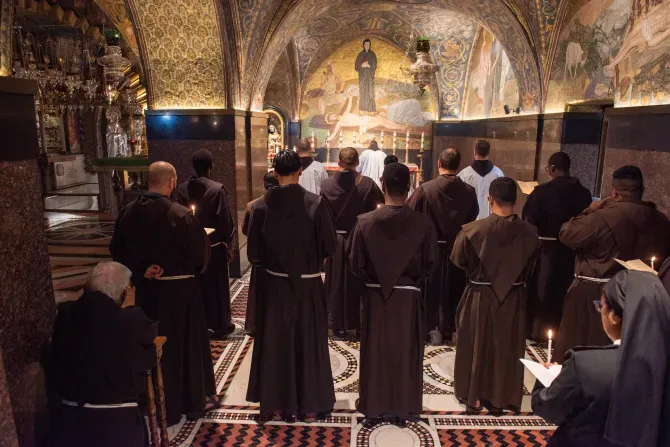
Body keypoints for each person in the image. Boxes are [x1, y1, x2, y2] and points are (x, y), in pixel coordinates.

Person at [110, 161, 215, 426]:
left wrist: (140, 270)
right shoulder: (181, 215)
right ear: (171, 183)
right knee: (183, 346)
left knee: (151, 342)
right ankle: (188, 402)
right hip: (180, 293)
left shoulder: (127, 213)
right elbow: (199, 257)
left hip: (147, 293)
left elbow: (116, 251)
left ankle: (153, 399)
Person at [245, 150, 336, 422]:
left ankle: (275, 403)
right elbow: (330, 246)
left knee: (276, 345)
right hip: (308, 289)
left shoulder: (259, 207)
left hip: (274, 288)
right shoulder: (316, 204)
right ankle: (309, 405)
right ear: (300, 171)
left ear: (274, 173)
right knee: (308, 344)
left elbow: (254, 255)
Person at [532, 270, 670, 447]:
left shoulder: (584, 365)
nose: (600, 310)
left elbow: (548, 407)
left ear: (614, 317)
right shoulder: (663, 364)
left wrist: (542, 381)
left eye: (601, 305)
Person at [347, 162, 437, 419]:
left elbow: (355, 263)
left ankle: (374, 404)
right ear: (409, 188)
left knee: (375, 350)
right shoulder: (423, 223)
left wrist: (376, 280)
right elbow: (431, 264)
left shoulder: (365, 223)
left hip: (376, 297)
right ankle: (405, 405)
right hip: (409, 298)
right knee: (406, 350)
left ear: (382, 186)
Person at [554, 165, 670, 363]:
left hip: (595, 293)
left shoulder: (602, 217)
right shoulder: (661, 221)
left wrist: (588, 210)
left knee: (580, 353)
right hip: (639, 296)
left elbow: (567, 234)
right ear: (641, 190)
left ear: (614, 192)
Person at [451, 177, 540, 412]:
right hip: (514, 297)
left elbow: (459, 260)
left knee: (477, 344)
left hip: (479, 295)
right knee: (507, 347)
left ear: (489, 199)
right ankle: (503, 397)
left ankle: (474, 395)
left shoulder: (472, 231)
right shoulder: (531, 234)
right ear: (517, 200)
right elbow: (531, 268)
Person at [51, 262, 156, 447]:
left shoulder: (65, 314)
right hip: (117, 426)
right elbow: (150, 342)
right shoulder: (131, 320)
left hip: (69, 423)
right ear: (123, 290)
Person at [407, 148, 479, 343]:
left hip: (432, 250)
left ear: (439, 163)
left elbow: (411, 215)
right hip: (458, 249)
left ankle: (431, 329)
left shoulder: (425, 189)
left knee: (431, 290)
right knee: (454, 289)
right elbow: (473, 217)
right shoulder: (469, 191)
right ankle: (452, 329)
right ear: (458, 166)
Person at [522, 152, 592, 340]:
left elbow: (529, 221)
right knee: (564, 289)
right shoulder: (584, 193)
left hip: (546, 250)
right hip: (571, 252)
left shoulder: (541, 192)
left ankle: (538, 331)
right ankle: (562, 330)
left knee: (543, 290)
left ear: (552, 169)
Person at [321, 147, 384, 339]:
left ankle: (337, 324)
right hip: (361, 239)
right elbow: (378, 209)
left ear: (339, 163)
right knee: (359, 281)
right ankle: (358, 324)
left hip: (337, 240)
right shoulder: (368, 184)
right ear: (357, 163)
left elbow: (323, 215)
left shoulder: (326, 185)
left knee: (337, 282)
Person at [174, 149, 236, 339]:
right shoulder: (217, 189)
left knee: (196, 285)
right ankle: (219, 325)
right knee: (216, 288)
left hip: (191, 247)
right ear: (211, 166)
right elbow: (225, 222)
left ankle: (197, 324)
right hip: (214, 248)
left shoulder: (182, 189)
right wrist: (229, 245)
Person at [242, 171, 278, 336]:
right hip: (277, 256)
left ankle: (256, 324)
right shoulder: (282, 205)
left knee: (258, 291)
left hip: (259, 255)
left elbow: (245, 230)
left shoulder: (252, 205)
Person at [457, 140, 504, 220]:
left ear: (474, 152)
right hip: (492, 222)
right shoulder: (498, 174)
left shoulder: (464, 175)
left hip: (470, 223)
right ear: (488, 153)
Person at [355, 38, 377, 113]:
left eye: (368, 44)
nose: (367, 45)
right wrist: (362, 65)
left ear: (370, 45)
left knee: (370, 92)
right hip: (362, 77)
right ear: (363, 45)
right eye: (365, 44)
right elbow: (356, 67)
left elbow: (374, 65)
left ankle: (371, 109)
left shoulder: (373, 54)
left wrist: (369, 65)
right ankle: (361, 109)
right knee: (362, 92)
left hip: (370, 77)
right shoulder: (360, 54)